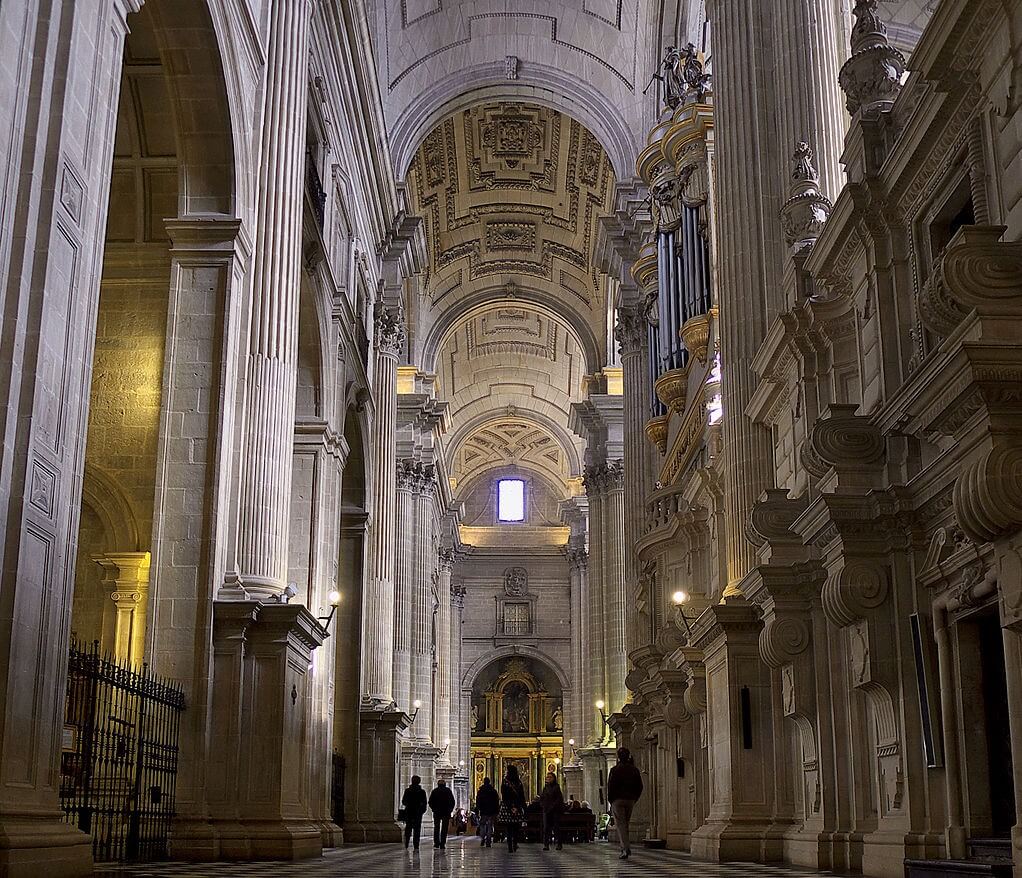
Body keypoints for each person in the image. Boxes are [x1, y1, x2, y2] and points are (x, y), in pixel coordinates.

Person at [607, 747, 643, 859]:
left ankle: (625, 848)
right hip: (630, 800)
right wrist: (635, 797)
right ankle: (626, 846)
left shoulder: (615, 770)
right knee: (625, 823)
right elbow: (640, 786)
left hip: (618, 800)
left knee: (621, 824)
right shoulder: (634, 770)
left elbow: (610, 786)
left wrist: (611, 800)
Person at [499, 764, 526, 853]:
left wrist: (510, 807)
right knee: (516, 828)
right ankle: (515, 843)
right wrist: (518, 807)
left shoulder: (505, 782)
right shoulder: (519, 782)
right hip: (517, 808)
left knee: (509, 828)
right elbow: (522, 797)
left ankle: (510, 846)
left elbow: (504, 796)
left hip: (507, 808)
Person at [539, 771, 564, 851]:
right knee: (546, 829)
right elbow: (542, 797)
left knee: (556, 828)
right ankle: (546, 844)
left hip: (555, 811)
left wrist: (552, 807)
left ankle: (559, 844)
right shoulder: (545, 787)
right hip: (546, 810)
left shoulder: (556, 787)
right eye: (547, 777)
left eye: (550, 777)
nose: (548, 779)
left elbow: (558, 799)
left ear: (554, 778)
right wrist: (543, 805)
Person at [401, 775, 428, 851]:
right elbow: (424, 803)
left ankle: (406, 843)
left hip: (409, 811)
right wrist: (421, 811)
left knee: (408, 828)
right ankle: (416, 845)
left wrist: (409, 805)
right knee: (417, 829)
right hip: (418, 813)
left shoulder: (407, 791)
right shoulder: (422, 792)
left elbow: (404, 801)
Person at [428, 779, 456, 850]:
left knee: (436, 827)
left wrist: (433, 809)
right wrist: (450, 810)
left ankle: (436, 843)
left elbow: (430, 802)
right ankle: (442, 843)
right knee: (444, 828)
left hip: (437, 812)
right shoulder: (448, 791)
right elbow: (452, 802)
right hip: (446, 812)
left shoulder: (435, 791)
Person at [475, 776, 500, 848]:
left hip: (483, 811)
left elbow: (478, 801)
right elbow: (496, 802)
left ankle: (483, 837)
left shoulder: (481, 791)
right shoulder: (493, 791)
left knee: (482, 825)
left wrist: (478, 808)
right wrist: (496, 811)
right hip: (491, 811)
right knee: (490, 826)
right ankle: (488, 841)